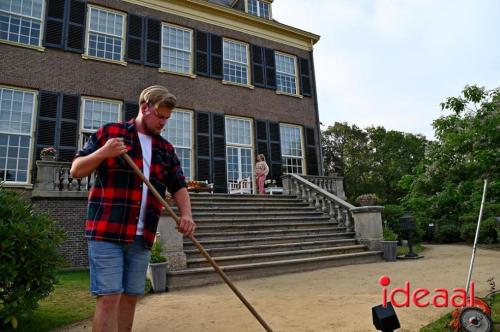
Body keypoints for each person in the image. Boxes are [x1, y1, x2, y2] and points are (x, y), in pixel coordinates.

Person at [70, 85, 195, 332]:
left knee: (130, 298)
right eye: (159, 116)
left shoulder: (166, 150)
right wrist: (103, 152)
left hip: (143, 236)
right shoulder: (110, 133)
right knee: (108, 297)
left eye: (167, 118)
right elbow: (76, 170)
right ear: (144, 107)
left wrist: (187, 214)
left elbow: (179, 186)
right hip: (107, 232)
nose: (163, 122)